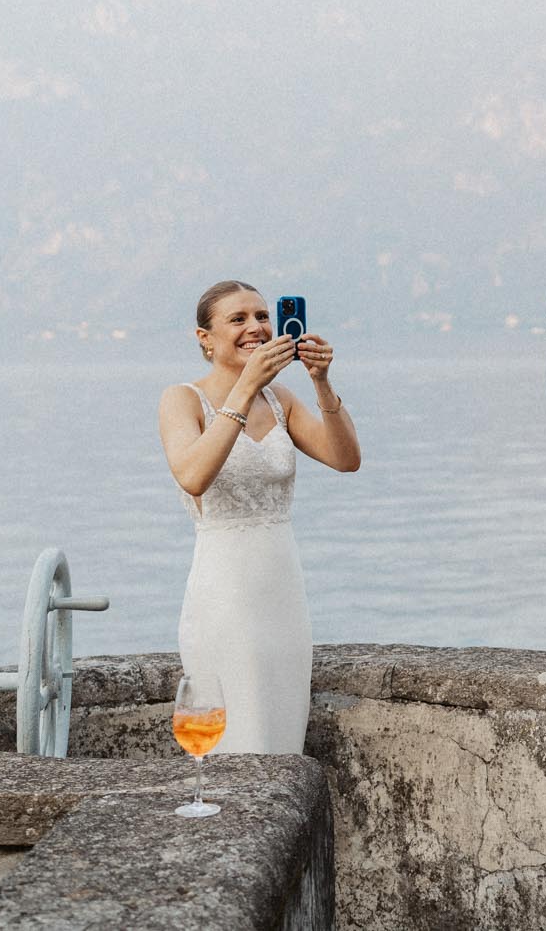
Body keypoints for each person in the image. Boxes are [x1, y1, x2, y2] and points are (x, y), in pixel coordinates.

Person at [157, 280, 362, 754]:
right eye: (238, 319)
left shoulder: (282, 401)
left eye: (262, 316)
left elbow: (346, 458)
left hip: (283, 595)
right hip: (224, 594)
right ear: (204, 338)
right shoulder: (182, 399)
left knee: (281, 737)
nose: (257, 327)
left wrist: (321, 381)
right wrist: (246, 386)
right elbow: (193, 475)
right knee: (236, 738)